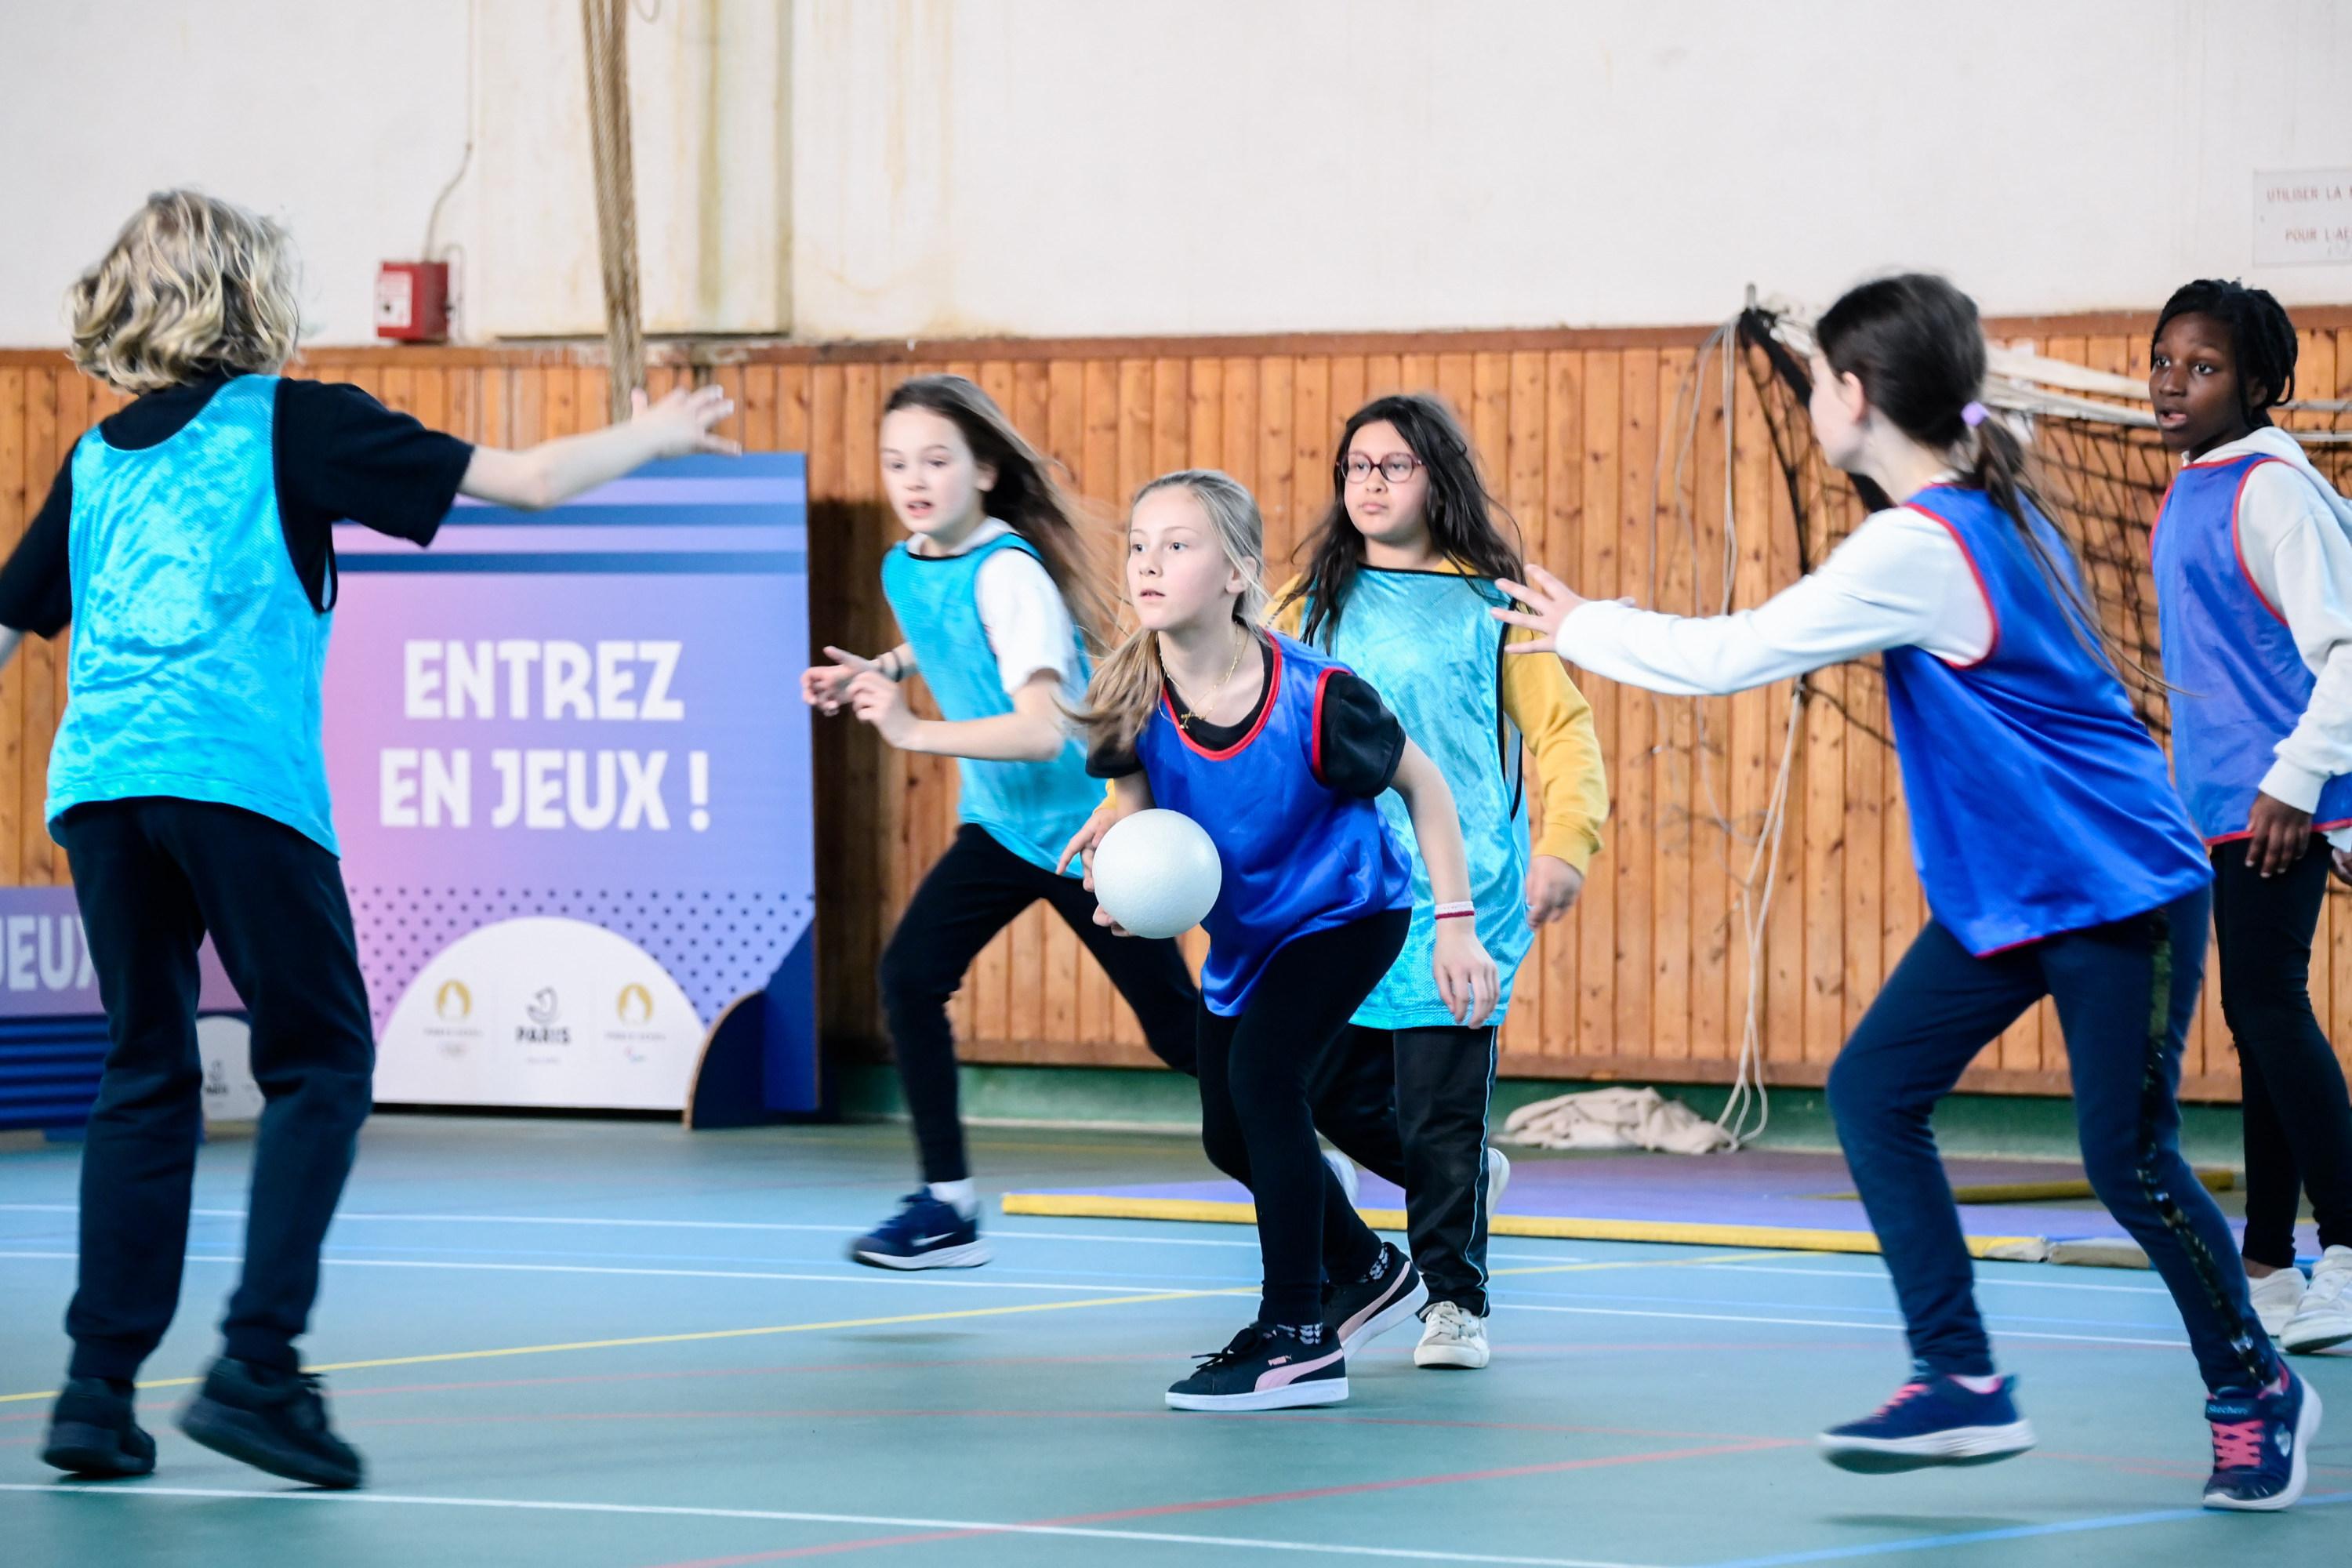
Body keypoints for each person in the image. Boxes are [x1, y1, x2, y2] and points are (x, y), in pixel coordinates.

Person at [1494, 274, 2318, 1512]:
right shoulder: (1979, 505)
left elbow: (1733, 657)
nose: (1816, 395)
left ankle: (2254, 1387)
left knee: (2128, 1160)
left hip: (2119, 891)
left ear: (1856, 395)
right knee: (1876, 1092)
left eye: (1822, 377)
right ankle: (1961, 1379)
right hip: (2016, 897)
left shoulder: (1926, 541)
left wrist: (1584, 624)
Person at [14, 189, 737, 1489]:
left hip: (102, 789)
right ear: (253, 294)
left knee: (142, 1074)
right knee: (324, 1059)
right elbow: (522, 483)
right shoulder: (296, 420)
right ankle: (257, 1364)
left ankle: (92, 1392)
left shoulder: (99, 456)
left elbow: (8, 622)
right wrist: (655, 430)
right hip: (235, 777)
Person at [1061, 468, 1497, 1412]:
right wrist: (1121, 864)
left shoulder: (1321, 698)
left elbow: (1426, 787)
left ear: (1236, 573)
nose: (1149, 560)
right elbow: (1145, 823)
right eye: (1139, 542)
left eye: (1179, 544)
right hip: (1247, 929)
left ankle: (1298, 1334)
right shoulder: (1130, 694)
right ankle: (1368, 1267)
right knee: (1230, 1131)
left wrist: (1456, 927)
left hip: (1346, 912)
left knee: (1266, 1080)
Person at [804, 375, 1200, 1270]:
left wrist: (907, 728)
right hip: (1000, 826)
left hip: (1089, 822)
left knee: (1180, 1031)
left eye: (937, 460)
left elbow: (1038, 728)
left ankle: (1347, 1142)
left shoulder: (1012, 571)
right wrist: (884, 664)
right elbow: (952, 636)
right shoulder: (906, 562)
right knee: (909, 977)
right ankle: (947, 1204)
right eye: (896, 461)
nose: (915, 477)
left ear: (984, 470)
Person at [1270, 393, 1606, 1369]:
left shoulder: (1493, 603)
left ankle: (1454, 1302)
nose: (1371, 483)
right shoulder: (1304, 605)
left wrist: (1566, 844)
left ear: (1436, 478)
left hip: (1467, 897)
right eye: (1357, 467)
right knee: (1315, 1090)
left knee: (1437, 1110)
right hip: (1341, 893)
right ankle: (1460, 1177)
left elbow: (1564, 734)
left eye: (1394, 466)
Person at [2147, 278, 2352, 1354]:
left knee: (2268, 1008)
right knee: (2259, 1017)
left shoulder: (2269, 490)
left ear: (2262, 385)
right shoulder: (2194, 481)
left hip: (2284, 803)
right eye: (2165, 362)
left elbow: (2345, 652)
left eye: (2205, 367)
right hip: (2227, 806)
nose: (2175, 384)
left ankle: (2349, 1246)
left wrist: (2294, 783)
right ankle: (2270, 1263)